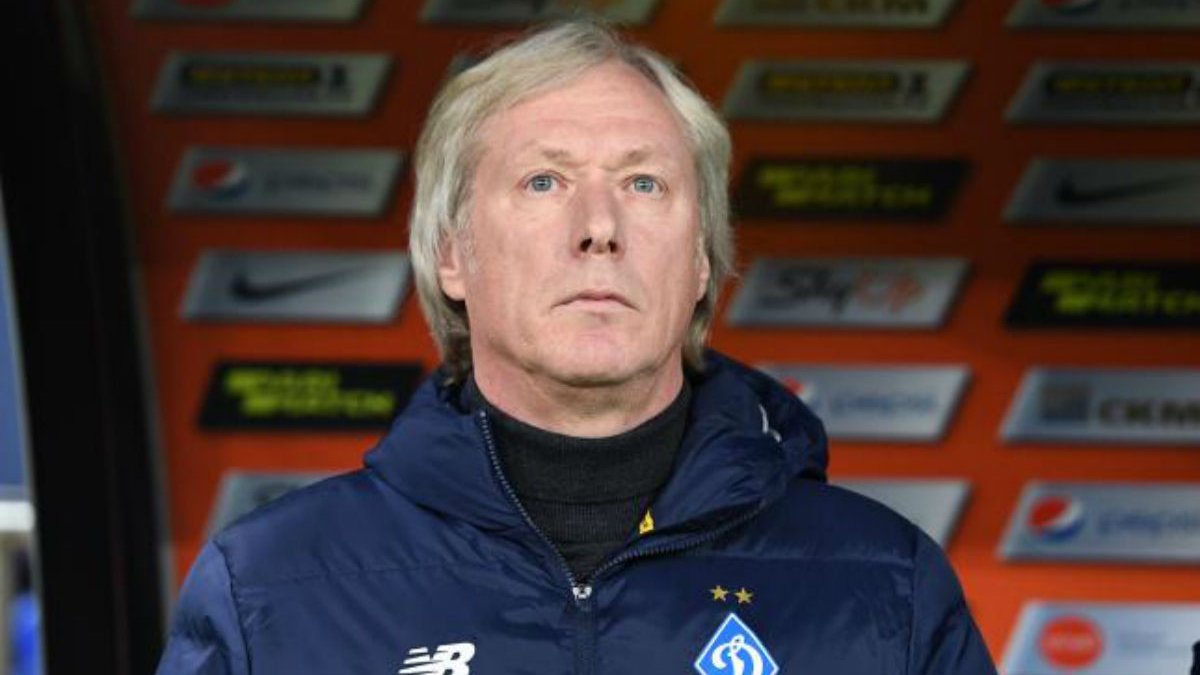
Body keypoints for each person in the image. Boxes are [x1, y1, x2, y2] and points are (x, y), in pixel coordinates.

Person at [157, 19, 997, 674]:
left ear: (701, 258)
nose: (599, 227)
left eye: (644, 182)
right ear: (451, 252)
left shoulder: (884, 583)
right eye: (544, 180)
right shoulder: (270, 588)